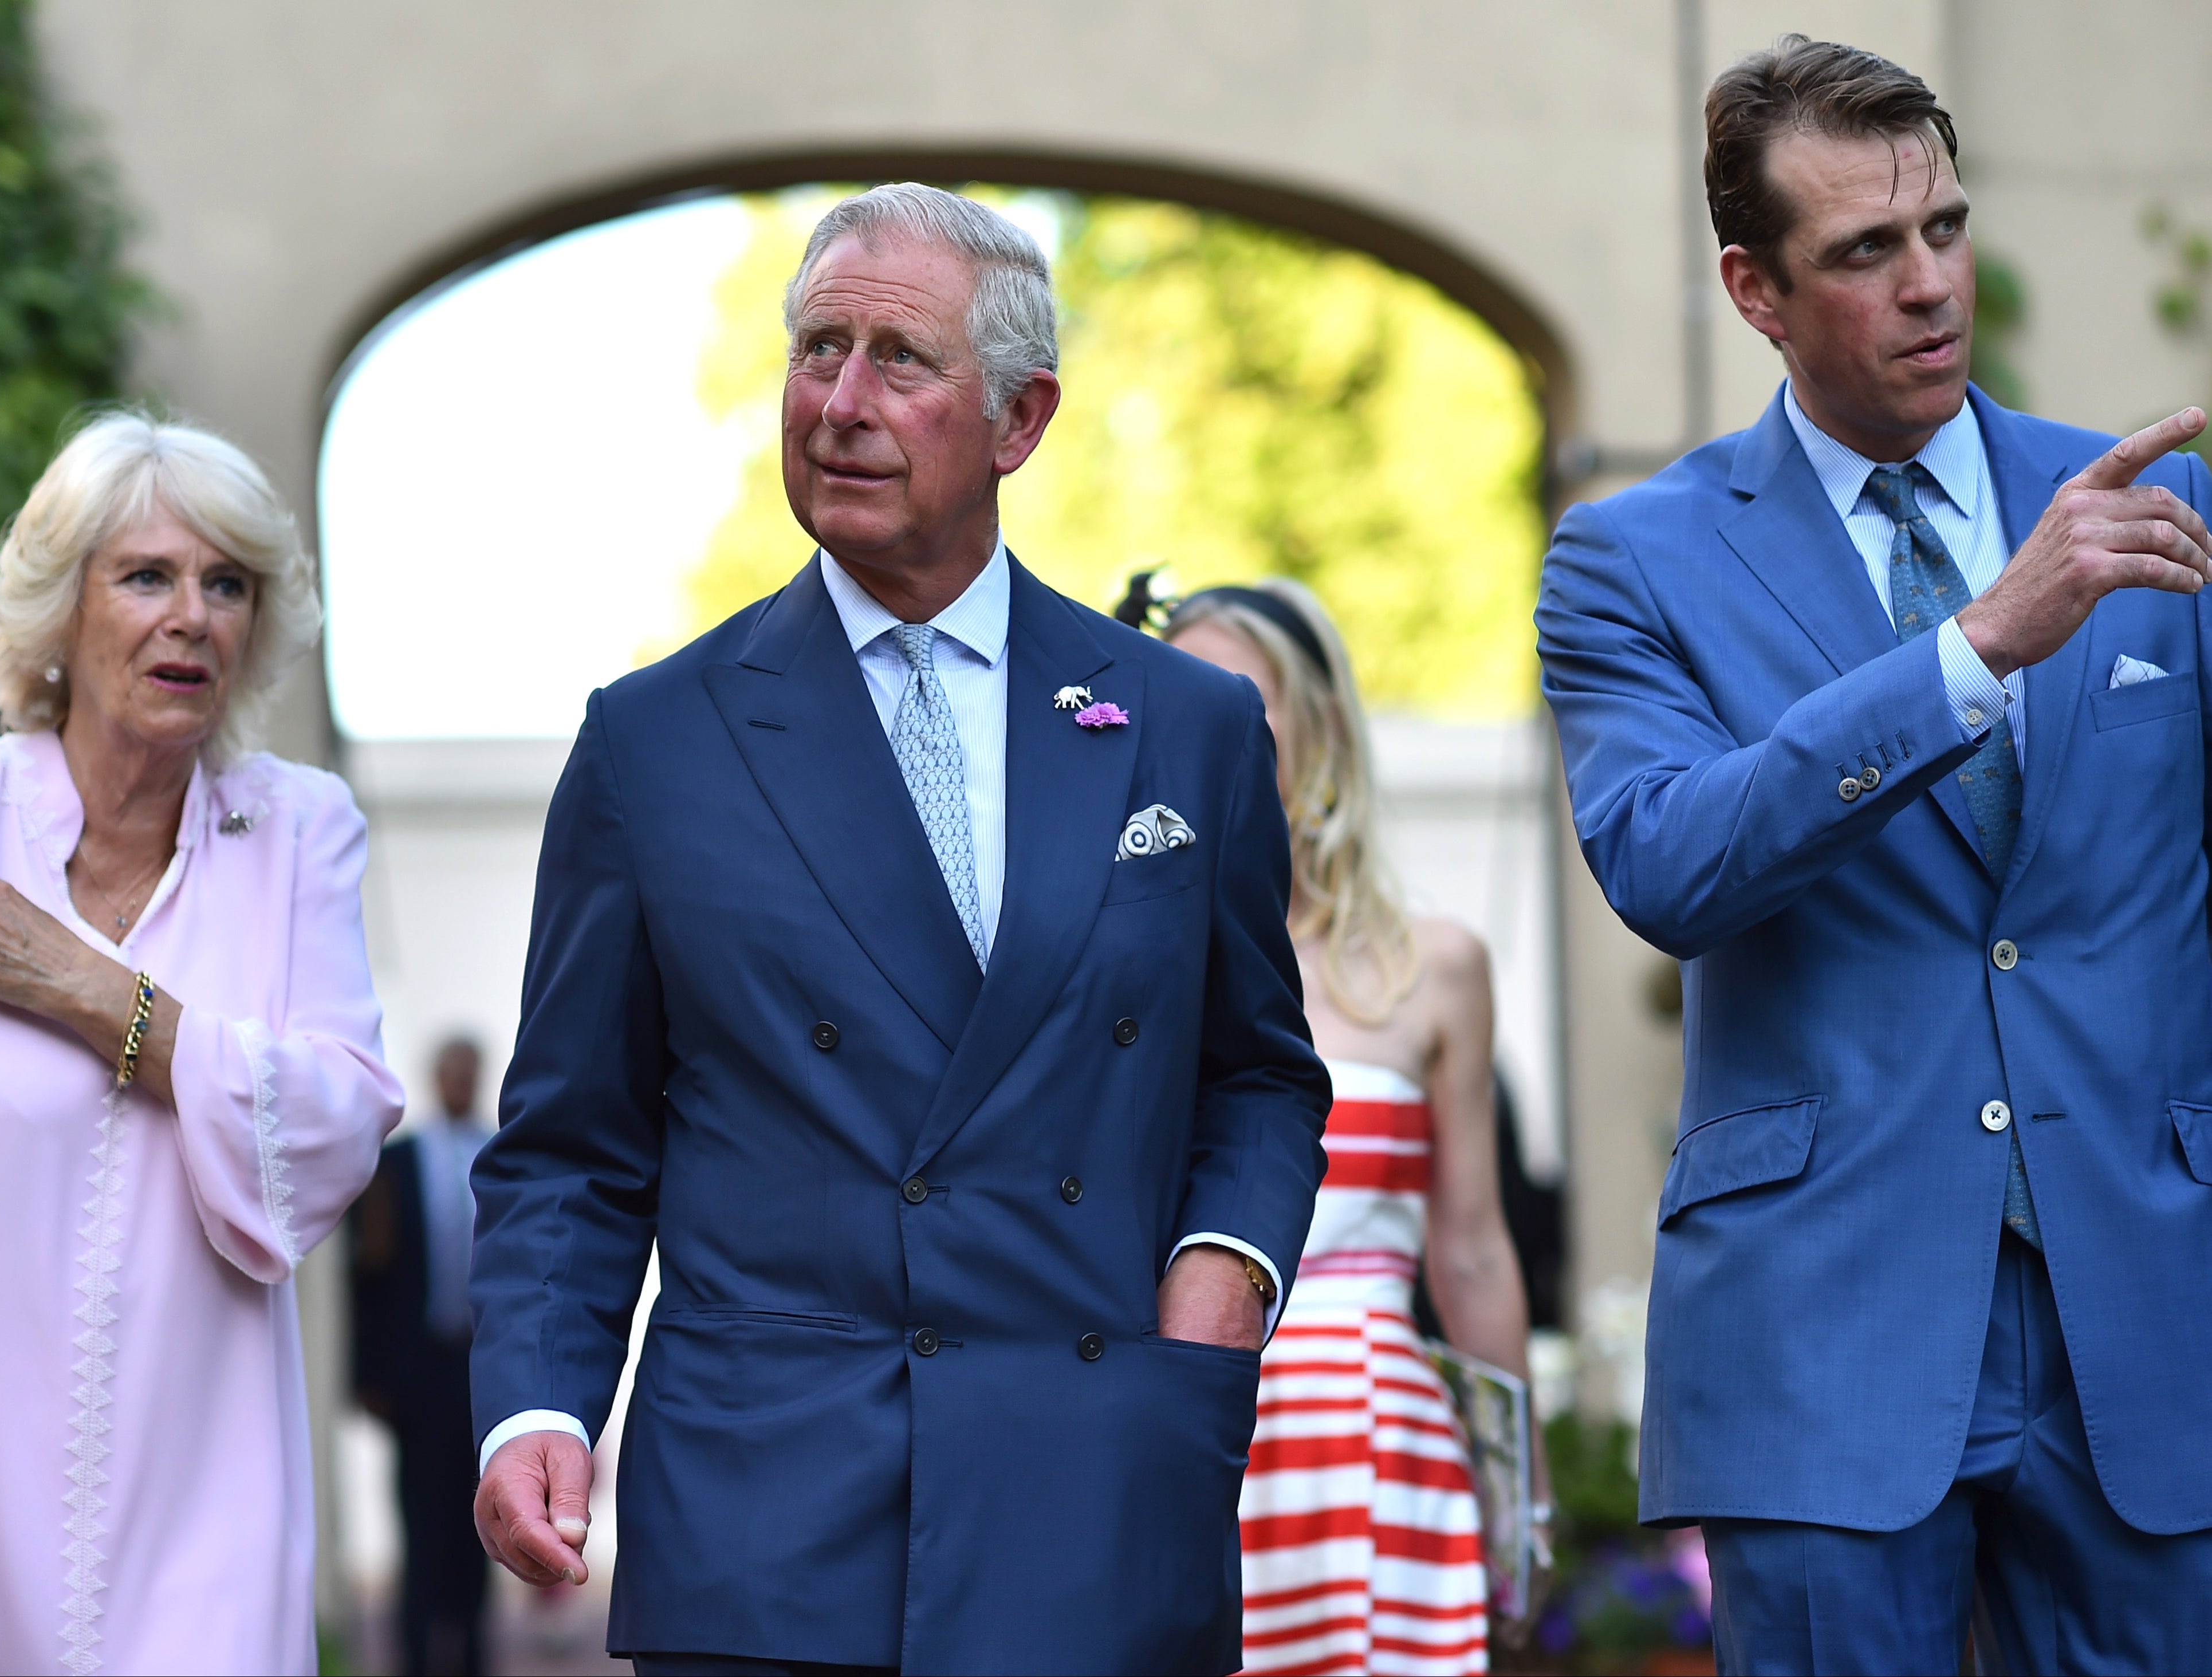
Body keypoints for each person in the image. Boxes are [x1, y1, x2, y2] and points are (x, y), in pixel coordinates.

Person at [467, 183, 1330, 1675]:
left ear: (1020, 418)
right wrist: (538, 1406)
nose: (841, 402)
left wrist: (1215, 1293)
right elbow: (571, 1147)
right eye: (817, 350)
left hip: (1092, 1495)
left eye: (898, 361)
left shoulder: (1185, 728)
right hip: (769, 1531)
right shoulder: (651, 742)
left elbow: (1254, 1073)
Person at [1537, 36, 2212, 1674]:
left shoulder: (2141, 504)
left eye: (1943, 229)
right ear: (1752, 289)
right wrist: (1970, 651)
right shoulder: (1631, 558)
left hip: (2146, 1297)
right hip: (1822, 1325)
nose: (1927, 285)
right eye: (1860, 252)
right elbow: (1664, 862)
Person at [0, 411, 404, 1674]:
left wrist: (91, 994)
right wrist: (205, 1059)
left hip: (210, 1485)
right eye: (149, 576)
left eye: (228, 585)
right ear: (66, 610)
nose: (194, 617)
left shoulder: (296, 833)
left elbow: (337, 1120)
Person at [1164, 579, 1538, 1676]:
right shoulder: (1126, 972)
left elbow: (1471, 1246)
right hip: (1184, 1429)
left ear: (1314, 730)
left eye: (1233, 696)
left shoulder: (1436, 969)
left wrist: (1519, 1499)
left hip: (1374, 1436)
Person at [351, 1035, 495, 1675]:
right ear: (437, 1078)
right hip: (420, 1369)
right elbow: (369, 1277)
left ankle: (473, 1656)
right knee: (420, 1518)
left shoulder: (503, 1156)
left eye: (470, 1071)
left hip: (483, 1372)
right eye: (451, 1070)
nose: (460, 1081)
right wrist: (370, 1376)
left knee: (484, 1520)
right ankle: (413, 1655)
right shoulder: (398, 1162)